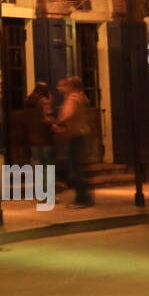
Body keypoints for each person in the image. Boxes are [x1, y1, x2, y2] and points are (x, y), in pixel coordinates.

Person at [53, 76, 93, 208]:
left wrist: (58, 123)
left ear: (71, 87)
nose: (60, 88)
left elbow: (69, 114)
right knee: (76, 167)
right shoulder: (80, 97)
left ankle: (83, 199)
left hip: (75, 135)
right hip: (79, 134)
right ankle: (84, 197)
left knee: (74, 169)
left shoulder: (73, 98)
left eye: (64, 86)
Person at [21, 82, 56, 171]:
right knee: (47, 162)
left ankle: (38, 182)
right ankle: (47, 183)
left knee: (35, 159)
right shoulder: (45, 101)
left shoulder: (29, 101)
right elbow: (47, 117)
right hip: (44, 135)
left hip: (32, 136)